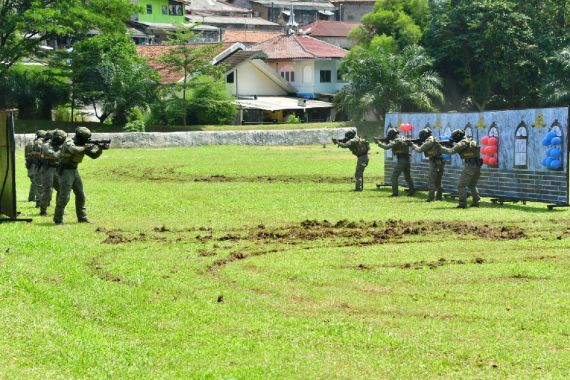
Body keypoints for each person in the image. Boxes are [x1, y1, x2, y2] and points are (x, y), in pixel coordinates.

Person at [53, 126, 106, 225]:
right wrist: (84, 147)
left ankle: (82, 217)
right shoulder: (69, 141)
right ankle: (58, 219)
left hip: (74, 170)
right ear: (80, 137)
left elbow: (93, 155)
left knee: (81, 194)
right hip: (65, 171)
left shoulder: (82, 144)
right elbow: (73, 150)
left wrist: (100, 149)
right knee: (64, 196)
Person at [440, 129, 482, 208]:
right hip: (477, 165)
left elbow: (451, 151)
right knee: (472, 185)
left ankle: (462, 204)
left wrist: (440, 148)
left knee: (461, 185)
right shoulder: (469, 140)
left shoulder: (462, 143)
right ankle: (476, 202)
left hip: (470, 166)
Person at [375, 127, 415, 196]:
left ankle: (395, 193)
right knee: (407, 177)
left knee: (394, 177)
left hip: (401, 160)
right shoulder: (403, 138)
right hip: (407, 159)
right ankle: (412, 191)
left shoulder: (396, 140)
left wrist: (379, 143)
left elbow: (386, 147)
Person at [411, 128, 445, 202]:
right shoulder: (433, 139)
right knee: (438, 181)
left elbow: (419, 150)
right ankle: (439, 197)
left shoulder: (429, 141)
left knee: (431, 180)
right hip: (439, 161)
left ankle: (430, 198)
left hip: (435, 162)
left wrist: (413, 145)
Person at [39, 130, 66, 216]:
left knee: (61, 189)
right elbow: (53, 155)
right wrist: (62, 150)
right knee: (48, 190)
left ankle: (59, 209)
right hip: (48, 169)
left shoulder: (60, 145)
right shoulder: (46, 145)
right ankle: (43, 210)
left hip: (57, 169)